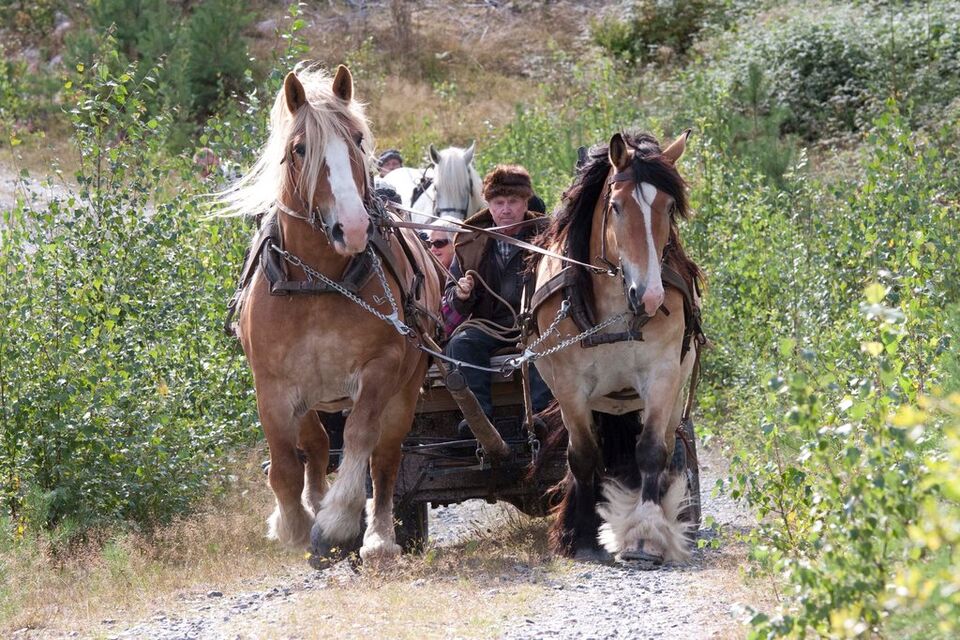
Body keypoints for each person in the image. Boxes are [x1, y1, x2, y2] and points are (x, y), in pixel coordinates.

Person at [443, 164, 552, 422]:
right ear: (489, 205)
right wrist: (461, 295)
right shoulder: (470, 241)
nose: (506, 209)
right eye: (499, 202)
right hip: (489, 325)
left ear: (526, 202)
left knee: (547, 341)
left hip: (536, 323)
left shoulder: (549, 237)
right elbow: (450, 297)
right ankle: (478, 421)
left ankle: (542, 418)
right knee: (461, 343)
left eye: (513, 201)